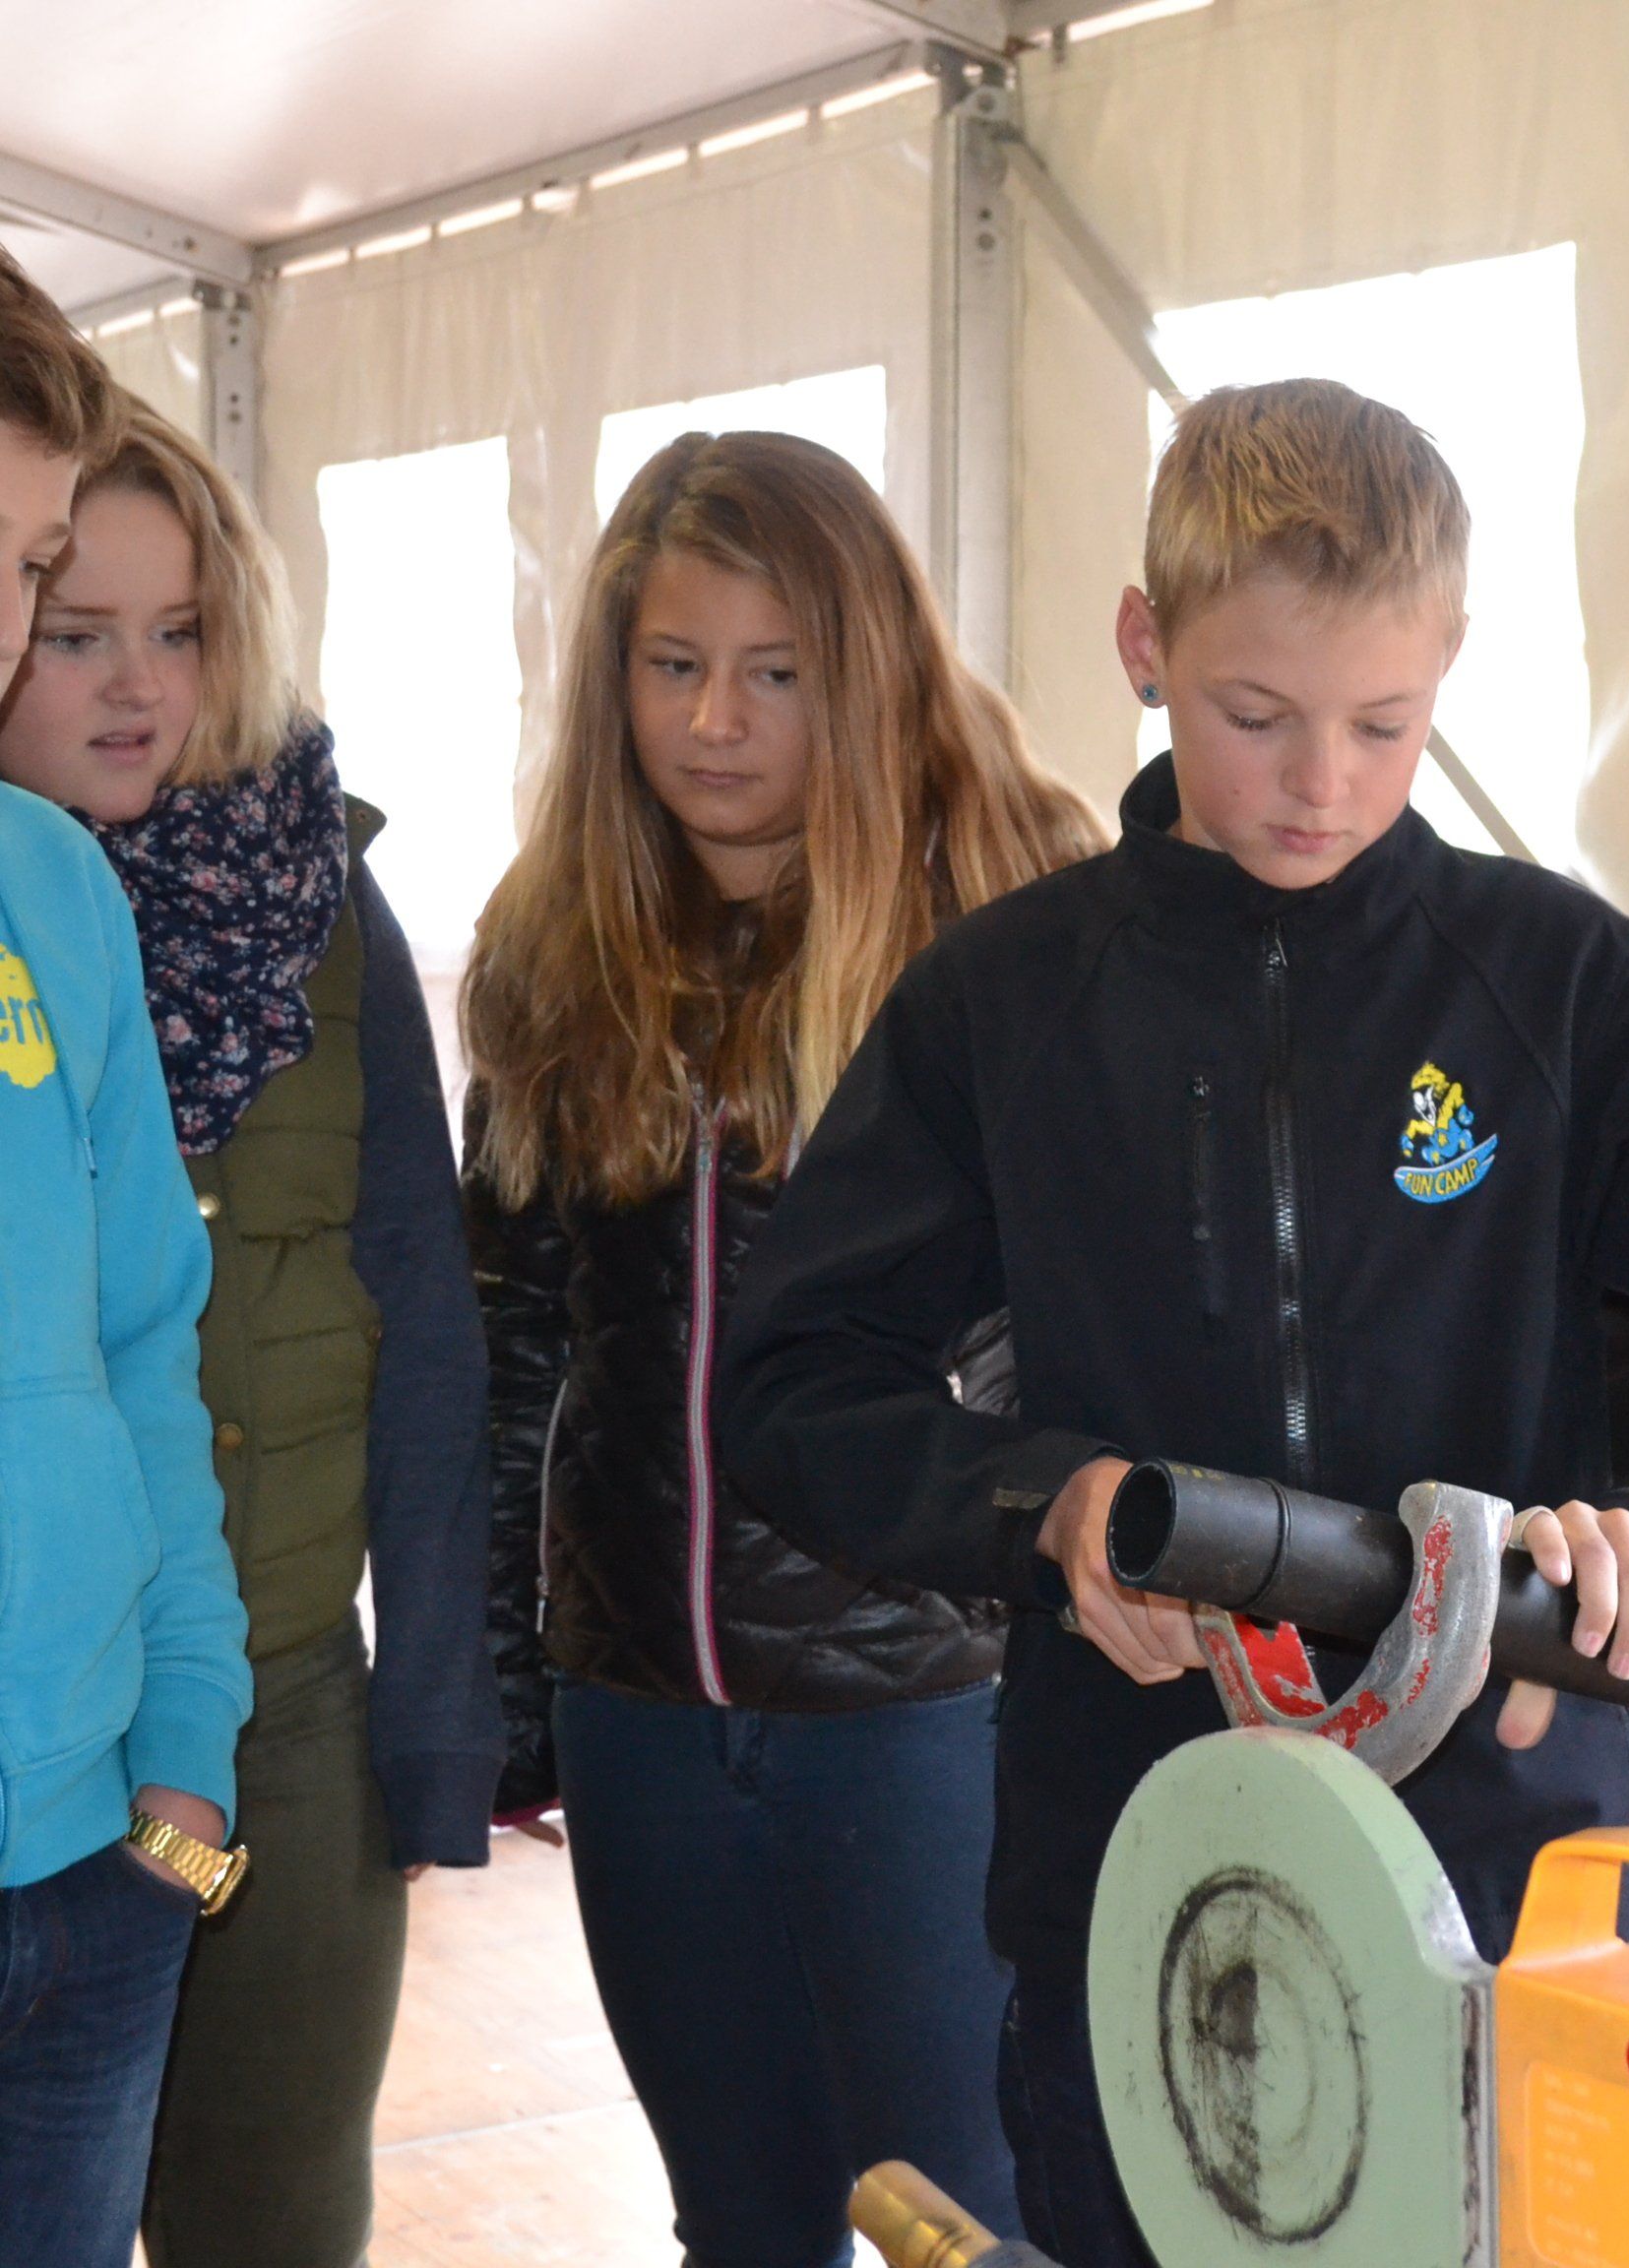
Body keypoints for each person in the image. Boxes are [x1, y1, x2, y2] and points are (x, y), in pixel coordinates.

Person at [716, 376, 1629, 2266]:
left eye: (1384, 724)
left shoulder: (1563, 981)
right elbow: (793, 1383)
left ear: (1450, 662)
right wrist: (1043, 1507)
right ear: (1145, 646)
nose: (1320, 784)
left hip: (1511, 1889)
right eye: (1253, 716)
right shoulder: (1008, 1000)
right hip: (1139, 1863)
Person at [462, 430, 1100, 2268]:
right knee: (740, 2226)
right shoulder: (555, 940)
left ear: (868, 669)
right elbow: (516, 1341)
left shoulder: (1019, 924)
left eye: (775, 673)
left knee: (975, 2224)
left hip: (934, 1715)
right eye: (673, 666)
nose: (714, 723)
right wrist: (505, 1673)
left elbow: (1105, 1330)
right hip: (642, 1713)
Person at [0, 397, 504, 2267]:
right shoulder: (37, 908)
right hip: (56, 1720)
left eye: (182, 629)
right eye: (76, 629)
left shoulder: (322, 901)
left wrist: (438, 1718)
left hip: (274, 1711)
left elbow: (426, 1320)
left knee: (274, 2210)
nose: (137, 683)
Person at [0, 249, 253, 2265]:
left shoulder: (57, 891)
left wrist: (185, 1761)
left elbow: (147, 1347)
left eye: (21, 570)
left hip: (102, 1860)